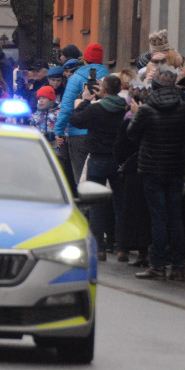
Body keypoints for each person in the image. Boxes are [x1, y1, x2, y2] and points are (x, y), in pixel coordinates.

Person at [124, 65, 185, 280]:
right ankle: (179, 266)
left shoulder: (146, 109)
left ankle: (158, 265)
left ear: (153, 87)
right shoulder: (184, 108)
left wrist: (135, 114)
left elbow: (132, 135)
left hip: (152, 168)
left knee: (158, 218)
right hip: (175, 168)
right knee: (175, 217)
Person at [70, 73, 126, 261]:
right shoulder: (125, 107)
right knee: (120, 205)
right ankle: (121, 248)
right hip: (119, 160)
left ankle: (98, 249)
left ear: (103, 89)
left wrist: (86, 100)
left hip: (97, 159)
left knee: (96, 206)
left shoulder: (96, 109)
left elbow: (75, 120)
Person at [54, 43, 108, 184]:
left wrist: (59, 130)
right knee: (101, 180)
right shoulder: (109, 77)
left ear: (84, 59)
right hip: (103, 133)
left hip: (78, 134)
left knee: (81, 178)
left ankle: (85, 205)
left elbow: (66, 108)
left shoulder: (76, 78)